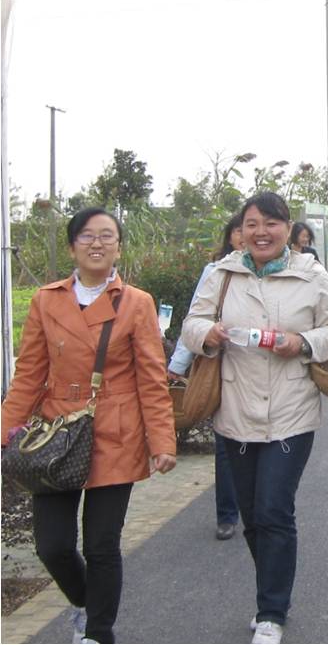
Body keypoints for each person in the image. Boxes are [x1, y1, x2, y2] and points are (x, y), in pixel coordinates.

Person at [1, 208, 177, 644]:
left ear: (118, 246)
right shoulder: (46, 299)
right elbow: (29, 376)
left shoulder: (136, 302)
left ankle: (99, 633)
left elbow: (151, 379)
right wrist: (7, 427)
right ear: (71, 246)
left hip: (115, 434)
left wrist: (162, 440)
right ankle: (86, 601)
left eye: (106, 236)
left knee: (101, 545)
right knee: (53, 546)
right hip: (57, 433)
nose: (96, 243)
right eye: (86, 236)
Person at [181, 192, 328, 644]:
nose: (261, 232)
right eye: (252, 224)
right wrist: (209, 335)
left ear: (288, 228)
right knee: (253, 515)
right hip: (235, 410)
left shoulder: (311, 275)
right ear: (243, 228)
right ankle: (271, 593)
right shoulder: (223, 273)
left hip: (291, 410)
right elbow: (191, 325)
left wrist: (303, 344)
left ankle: (272, 612)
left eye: (271, 224)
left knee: (274, 508)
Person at [168, 215, 243, 541]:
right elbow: (194, 321)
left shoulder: (280, 273)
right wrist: (179, 363)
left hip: (262, 373)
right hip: (219, 368)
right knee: (225, 445)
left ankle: (257, 506)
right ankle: (227, 514)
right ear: (230, 236)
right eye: (240, 230)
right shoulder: (215, 272)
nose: (246, 236)